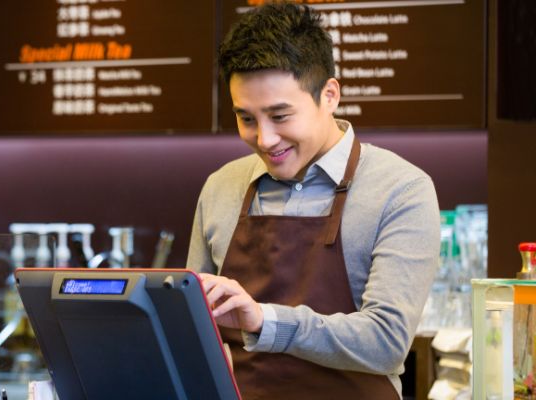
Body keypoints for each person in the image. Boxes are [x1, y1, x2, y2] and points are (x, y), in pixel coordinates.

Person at [186, 2, 440, 399]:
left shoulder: (401, 189)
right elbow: (192, 324)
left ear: (330, 95)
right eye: (247, 118)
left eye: (281, 116)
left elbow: (386, 341)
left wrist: (264, 321)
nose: (265, 139)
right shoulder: (221, 187)